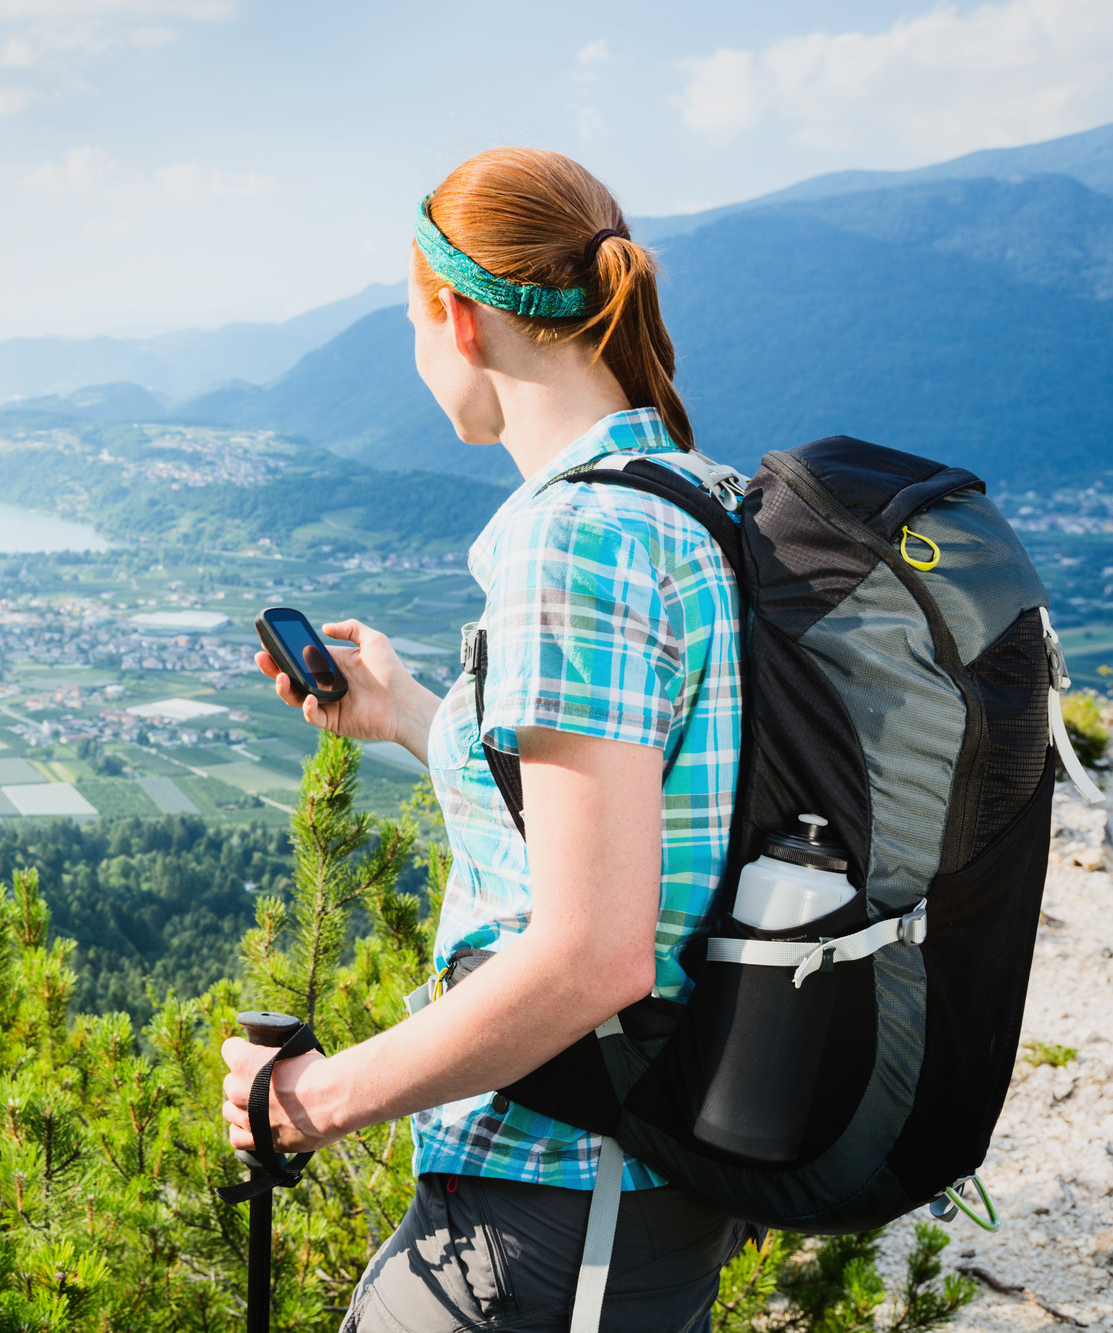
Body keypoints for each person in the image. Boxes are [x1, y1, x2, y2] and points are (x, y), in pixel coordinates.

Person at [222, 147, 747, 1332]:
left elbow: (593, 953)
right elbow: (645, 812)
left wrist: (311, 1098)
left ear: (454, 318)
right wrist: (412, 716)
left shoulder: (575, 540)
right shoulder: (688, 494)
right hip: (639, 1187)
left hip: (549, 1202)